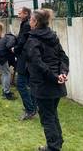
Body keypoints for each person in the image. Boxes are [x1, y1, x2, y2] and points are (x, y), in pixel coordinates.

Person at [25, 10, 69, 151]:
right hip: (55, 83)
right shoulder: (52, 37)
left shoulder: (33, 40)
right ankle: (57, 143)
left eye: (31, 19)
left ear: (36, 22)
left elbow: (38, 63)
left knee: (47, 117)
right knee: (52, 114)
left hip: (44, 85)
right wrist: (61, 74)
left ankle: (53, 147)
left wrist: (58, 75)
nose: (29, 21)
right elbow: (63, 58)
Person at [14, 6, 37, 120]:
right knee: (29, 84)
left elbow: (22, 40)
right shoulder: (25, 24)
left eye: (20, 13)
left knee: (21, 84)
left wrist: (15, 49)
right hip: (26, 58)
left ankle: (30, 109)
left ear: (26, 14)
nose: (18, 15)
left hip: (25, 58)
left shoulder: (27, 25)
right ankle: (33, 107)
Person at [0, 33, 18, 100]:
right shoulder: (12, 39)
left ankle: (5, 91)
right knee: (7, 73)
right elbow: (9, 45)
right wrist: (14, 50)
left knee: (5, 73)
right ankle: (6, 93)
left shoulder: (8, 37)